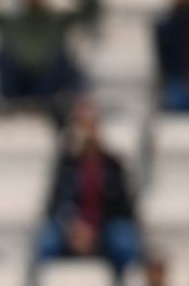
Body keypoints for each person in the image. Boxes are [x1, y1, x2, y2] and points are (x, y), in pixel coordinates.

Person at [38, 99, 140, 273]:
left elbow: (124, 208)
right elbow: (56, 204)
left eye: (90, 125)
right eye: (81, 126)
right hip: (74, 228)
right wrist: (72, 226)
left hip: (105, 227)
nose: (86, 132)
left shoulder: (113, 165)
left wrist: (95, 229)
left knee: (124, 239)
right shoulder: (66, 165)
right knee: (47, 240)